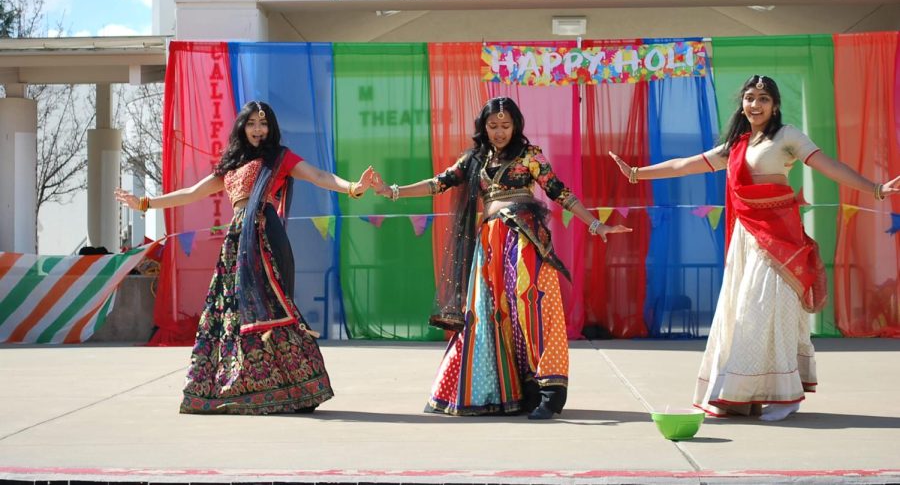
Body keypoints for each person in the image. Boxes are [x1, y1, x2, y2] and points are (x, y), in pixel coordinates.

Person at [610, 75, 900, 421]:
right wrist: (636, 174)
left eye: (763, 98)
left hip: (780, 239)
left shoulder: (787, 136)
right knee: (743, 315)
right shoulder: (736, 145)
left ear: (774, 104)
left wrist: (876, 188)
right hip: (748, 240)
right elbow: (684, 164)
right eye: (749, 98)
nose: (755, 104)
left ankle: (785, 394)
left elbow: (829, 166)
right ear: (742, 104)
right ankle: (742, 394)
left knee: (768, 310)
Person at [372, 96, 631, 419]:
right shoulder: (474, 160)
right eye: (492, 126)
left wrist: (595, 223)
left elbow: (560, 192)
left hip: (524, 240)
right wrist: (391, 191)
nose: (499, 132)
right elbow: (438, 183)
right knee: (489, 314)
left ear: (516, 126)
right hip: (489, 244)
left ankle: (549, 393)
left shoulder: (530, 156)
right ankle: (509, 392)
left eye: (505, 126)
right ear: (483, 127)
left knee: (534, 309)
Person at [115, 100, 376, 414]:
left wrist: (353, 188)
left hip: (266, 237)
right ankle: (244, 388)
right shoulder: (231, 165)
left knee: (274, 310)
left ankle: (294, 388)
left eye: (263, 124)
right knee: (233, 315)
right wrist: (144, 203)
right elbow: (190, 193)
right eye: (252, 123)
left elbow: (318, 175)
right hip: (237, 243)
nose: (258, 130)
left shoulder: (278, 158)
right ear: (242, 127)